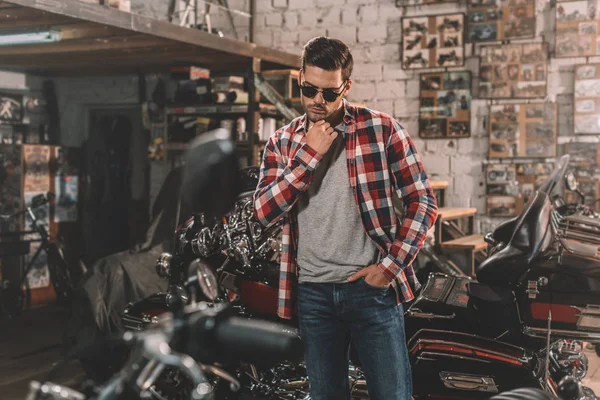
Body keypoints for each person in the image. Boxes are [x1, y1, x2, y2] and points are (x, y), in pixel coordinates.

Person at [253, 37, 438, 400]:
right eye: (309, 90)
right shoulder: (283, 141)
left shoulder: (381, 130)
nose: (317, 101)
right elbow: (264, 212)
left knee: (392, 395)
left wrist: (390, 267)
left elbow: (423, 201)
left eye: (329, 93)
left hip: (371, 291)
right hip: (312, 293)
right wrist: (309, 155)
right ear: (299, 78)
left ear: (346, 87)